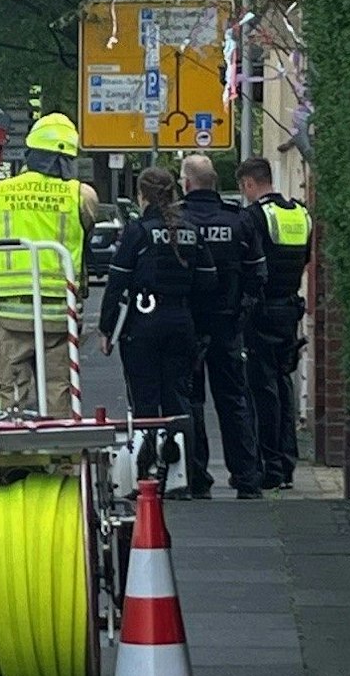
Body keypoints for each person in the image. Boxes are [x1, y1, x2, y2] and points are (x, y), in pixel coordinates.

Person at [0, 113, 100, 417]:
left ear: (32, 153)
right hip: (58, 311)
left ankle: (12, 456)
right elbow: (86, 235)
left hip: (8, 311)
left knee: (11, 388)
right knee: (59, 388)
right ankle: (63, 458)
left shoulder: (1, 192)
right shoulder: (81, 196)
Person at [99, 168, 219, 488]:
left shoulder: (138, 232)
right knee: (179, 402)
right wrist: (200, 330)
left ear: (143, 196)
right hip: (182, 324)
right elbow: (208, 283)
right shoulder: (191, 231)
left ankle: (147, 475)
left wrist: (106, 330)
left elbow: (116, 283)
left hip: (143, 324)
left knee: (145, 402)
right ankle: (183, 477)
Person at [179, 154, 265, 499]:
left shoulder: (177, 221)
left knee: (191, 400)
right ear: (215, 183)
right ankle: (246, 477)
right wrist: (242, 314)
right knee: (234, 400)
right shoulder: (239, 221)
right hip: (228, 324)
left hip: (188, 325)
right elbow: (257, 274)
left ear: (186, 183)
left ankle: (197, 478)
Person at [237, 156, 312, 489]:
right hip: (290, 310)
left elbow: (249, 265)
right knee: (284, 385)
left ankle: (271, 467)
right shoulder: (300, 213)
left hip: (261, 313)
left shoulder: (255, 217)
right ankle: (287, 463)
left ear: (250, 184)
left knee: (262, 390)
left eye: (244, 188)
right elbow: (306, 260)